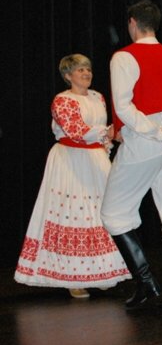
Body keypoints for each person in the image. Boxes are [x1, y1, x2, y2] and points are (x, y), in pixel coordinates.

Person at [100, 0, 162, 312]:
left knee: (114, 214)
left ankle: (147, 283)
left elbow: (124, 106)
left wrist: (160, 133)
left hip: (148, 141)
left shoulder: (124, 57)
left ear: (132, 22)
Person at [15, 54, 131, 298]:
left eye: (88, 69)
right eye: (80, 70)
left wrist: (108, 140)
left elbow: (101, 133)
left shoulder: (97, 97)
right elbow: (75, 130)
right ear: (68, 76)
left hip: (95, 159)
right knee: (72, 213)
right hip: (70, 160)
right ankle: (72, 277)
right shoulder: (63, 100)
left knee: (100, 212)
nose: (86, 73)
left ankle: (101, 272)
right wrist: (108, 132)